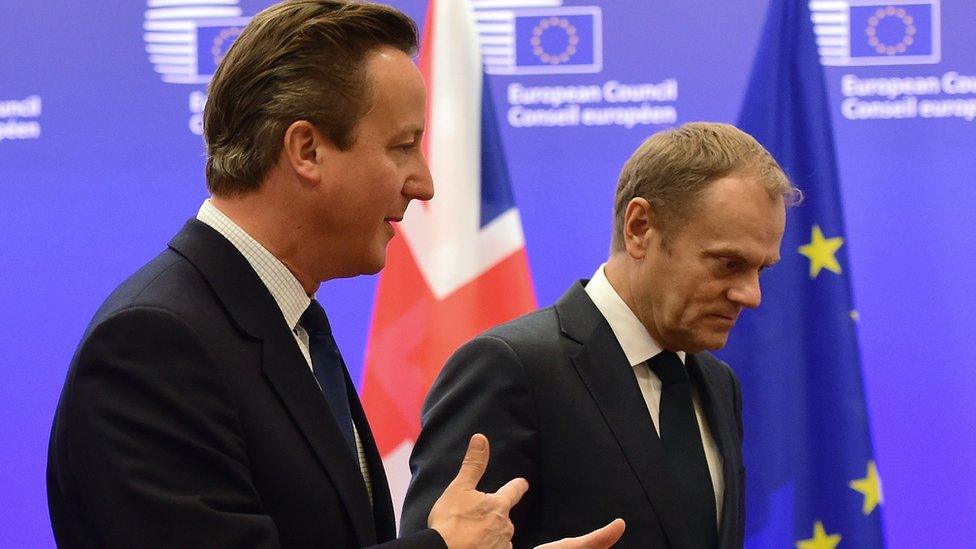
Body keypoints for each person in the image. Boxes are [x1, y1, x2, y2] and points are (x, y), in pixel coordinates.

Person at [45, 1, 625, 547]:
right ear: (307, 151)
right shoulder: (153, 345)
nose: (424, 184)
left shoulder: (288, 321)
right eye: (402, 147)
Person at [400, 122, 800, 548]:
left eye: (761, 269)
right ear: (640, 228)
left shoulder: (720, 384)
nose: (751, 295)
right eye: (728, 264)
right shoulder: (510, 369)